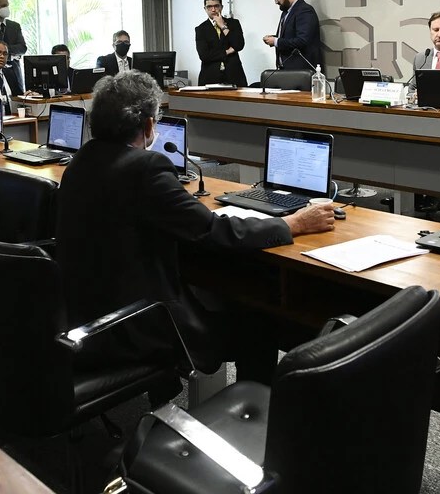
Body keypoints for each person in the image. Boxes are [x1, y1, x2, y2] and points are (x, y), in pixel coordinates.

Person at [55, 70, 335, 383]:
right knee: (260, 321)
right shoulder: (144, 168)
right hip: (137, 322)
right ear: (148, 124)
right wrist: (292, 223)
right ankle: (248, 418)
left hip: (84, 313)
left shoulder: (81, 160)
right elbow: (215, 231)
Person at [262, 0, 322, 71]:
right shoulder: (285, 12)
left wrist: (276, 41)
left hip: (301, 71)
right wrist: (274, 38)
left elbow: (302, 41)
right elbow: (289, 37)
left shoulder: (304, 10)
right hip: (286, 69)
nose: (276, 2)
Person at [194, 0, 247, 86]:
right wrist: (227, 51)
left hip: (234, 74)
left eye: (216, 6)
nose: (213, 10)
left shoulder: (234, 23)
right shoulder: (201, 29)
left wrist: (222, 26)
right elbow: (204, 56)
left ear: (221, 7)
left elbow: (239, 44)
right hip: (210, 76)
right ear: (205, 9)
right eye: (209, 7)